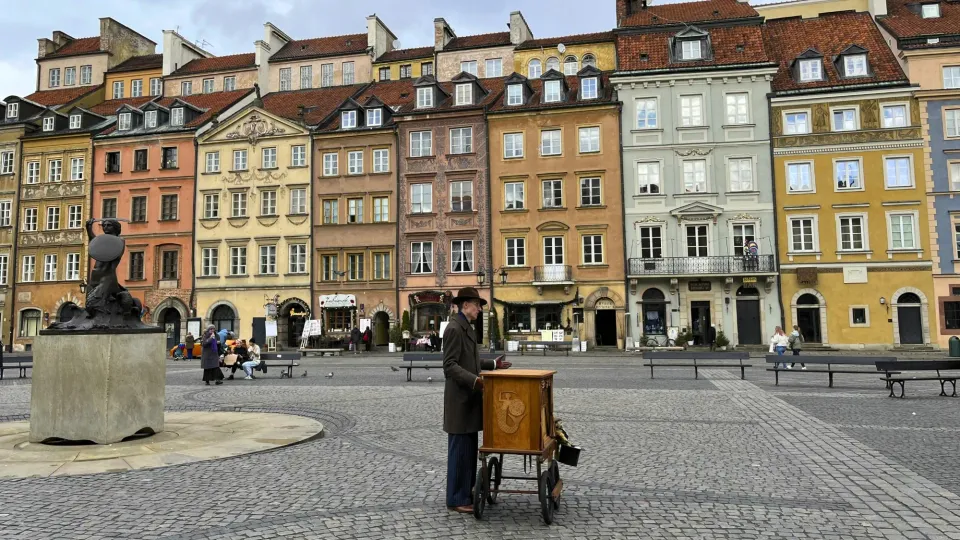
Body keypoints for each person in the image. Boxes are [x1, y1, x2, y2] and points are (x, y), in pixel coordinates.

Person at [442, 287, 512, 514]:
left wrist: (493, 365)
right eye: (477, 305)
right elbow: (450, 366)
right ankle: (456, 498)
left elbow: (470, 360)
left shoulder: (466, 328)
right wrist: (475, 381)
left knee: (469, 451)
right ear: (465, 306)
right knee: (460, 452)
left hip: (470, 401)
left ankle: (466, 492)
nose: (480, 309)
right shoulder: (454, 329)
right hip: (460, 402)